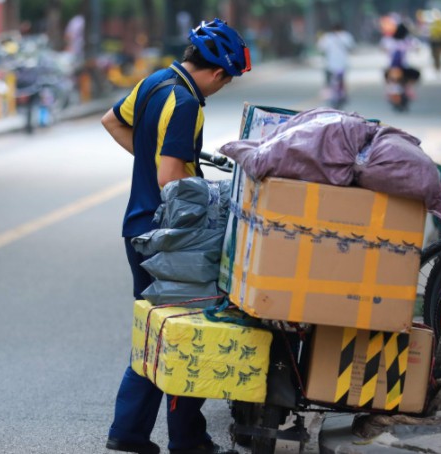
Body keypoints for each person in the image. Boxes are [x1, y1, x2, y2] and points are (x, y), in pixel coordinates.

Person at [100, 18, 251, 454]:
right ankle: (185, 438)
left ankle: (131, 432)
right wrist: (206, 200)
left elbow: (112, 121)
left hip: (138, 227)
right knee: (188, 330)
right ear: (219, 73)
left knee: (158, 328)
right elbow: (171, 179)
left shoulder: (156, 81)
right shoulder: (186, 102)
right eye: (228, 81)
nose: (223, 87)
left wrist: (155, 156)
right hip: (166, 236)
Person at [316, 22, 355, 108]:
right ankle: (343, 95)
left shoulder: (327, 37)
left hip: (330, 64)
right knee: (342, 80)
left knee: (328, 82)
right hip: (343, 64)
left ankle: (329, 96)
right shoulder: (346, 36)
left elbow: (321, 48)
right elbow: (351, 47)